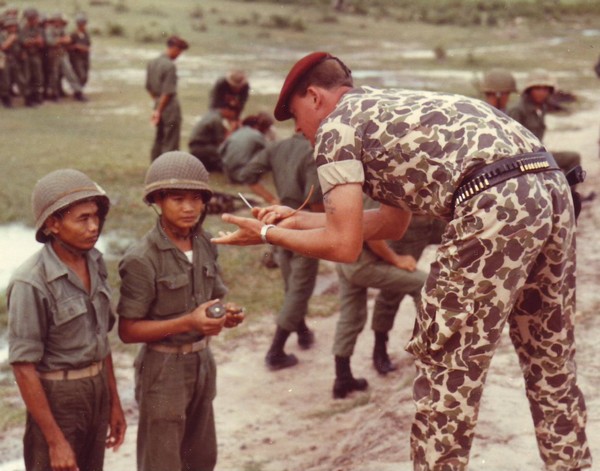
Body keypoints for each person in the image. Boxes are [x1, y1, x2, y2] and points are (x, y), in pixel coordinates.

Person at [212, 52, 592, 470]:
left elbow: (342, 245)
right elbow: (392, 223)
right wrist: (298, 219)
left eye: (297, 116)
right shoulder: (386, 110)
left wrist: (265, 235)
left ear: (316, 97)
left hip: (493, 200)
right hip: (551, 186)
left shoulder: (335, 126)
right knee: (548, 358)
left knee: (448, 367)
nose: (300, 131)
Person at [117, 151, 244, 471]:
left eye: (196, 199)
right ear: (157, 201)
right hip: (163, 369)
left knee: (202, 458)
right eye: (177, 199)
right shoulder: (142, 258)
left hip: (202, 362)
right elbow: (128, 330)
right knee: (162, 461)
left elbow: (213, 298)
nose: (188, 207)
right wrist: (189, 321)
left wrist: (225, 314)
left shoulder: (205, 244)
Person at [7, 169, 127, 471]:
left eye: (96, 217)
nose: (94, 227)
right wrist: (55, 440)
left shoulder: (96, 263)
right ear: (53, 224)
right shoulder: (31, 282)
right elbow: (23, 367)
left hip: (96, 389)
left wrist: (113, 402)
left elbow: (102, 341)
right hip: (57, 400)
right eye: (82, 218)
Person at [239, 132, 324, 370]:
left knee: (291, 283)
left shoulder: (277, 146)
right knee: (300, 288)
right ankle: (275, 351)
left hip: (277, 224)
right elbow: (315, 200)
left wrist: (271, 198)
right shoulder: (313, 152)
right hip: (303, 226)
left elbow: (246, 174)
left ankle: (303, 331)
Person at [508, 68, 581, 174]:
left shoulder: (542, 106)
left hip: (539, 155)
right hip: (526, 161)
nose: (541, 92)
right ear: (529, 90)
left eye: (545, 89)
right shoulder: (517, 110)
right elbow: (511, 144)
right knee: (572, 158)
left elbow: (560, 102)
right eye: (537, 88)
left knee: (573, 158)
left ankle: (567, 190)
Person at [146, 35, 188, 161]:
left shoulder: (152, 63)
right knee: (171, 140)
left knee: (159, 137)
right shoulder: (169, 66)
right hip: (169, 106)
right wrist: (160, 109)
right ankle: (168, 169)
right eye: (179, 51)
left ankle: (155, 167)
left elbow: (149, 87)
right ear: (174, 48)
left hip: (158, 103)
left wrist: (157, 106)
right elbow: (168, 92)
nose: (179, 54)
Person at [220, 112, 274, 184]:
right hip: (241, 175)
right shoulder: (257, 136)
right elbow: (272, 152)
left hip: (228, 174)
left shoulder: (238, 132)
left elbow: (220, 150)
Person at [44, 13, 86, 102]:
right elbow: (50, 42)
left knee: (69, 73)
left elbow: (68, 40)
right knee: (54, 75)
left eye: (60, 21)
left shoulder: (62, 30)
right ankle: (54, 94)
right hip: (53, 55)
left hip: (62, 53)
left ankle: (78, 92)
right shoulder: (49, 30)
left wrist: (59, 41)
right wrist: (61, 40)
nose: (58, 23)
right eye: (57, 21)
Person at [188, 104, 239, 171]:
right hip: (200, 148)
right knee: (224, 153)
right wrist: (232, 129)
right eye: (234, 115)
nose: (233, 117)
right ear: (228, 111)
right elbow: (222, 142)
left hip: (195, 146)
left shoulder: (212, 114)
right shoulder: (217, 120)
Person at [19, 7, 45, 105]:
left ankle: (36, 95)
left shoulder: (38, 29)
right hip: (26, 56)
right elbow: (24, 42)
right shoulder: (23, 29)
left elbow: (41, 42)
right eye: (32, 18)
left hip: (36, 55)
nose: (35, 20)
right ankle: (28, 98)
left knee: (38, 76)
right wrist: (35, 41)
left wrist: (32, 41)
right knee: (27, 77)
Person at [69, 13, 91, 88]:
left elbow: (88, 45)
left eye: (84, 23)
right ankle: (78, 91)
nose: (83, 25)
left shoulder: (86, 34)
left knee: (85, 76)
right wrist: (76, 47)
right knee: (81, 75)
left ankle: (79, 89)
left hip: (85, 57)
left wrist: (83, 48)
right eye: (81, 23)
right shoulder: (73, 34)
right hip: (77, 58)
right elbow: (69, 46)